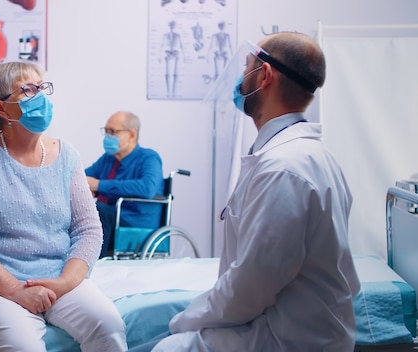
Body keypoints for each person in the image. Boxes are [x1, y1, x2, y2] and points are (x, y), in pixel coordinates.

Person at [133, 31, 361, 351]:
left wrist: (182, 322)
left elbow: (251, 287)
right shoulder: (299, 156)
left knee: (163, 346)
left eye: (246, 67)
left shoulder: (285, 168)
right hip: (286, 326)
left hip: (288, 338)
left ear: (264, 75)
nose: (240, 79)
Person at [0, 62, 127, 352]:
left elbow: (88, 229)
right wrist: (16, 291)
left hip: (57, 275)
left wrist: (66, 282)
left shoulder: (67, 156)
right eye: (28, 90)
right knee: (21, 346)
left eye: (42, 87)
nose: (40, 96)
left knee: (109, 327)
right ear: (2, 109)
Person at [85, 111, 164, 258]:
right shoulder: (108, 159)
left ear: (132, 135)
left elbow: (147, 188)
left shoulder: (149, 158)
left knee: (100, 210)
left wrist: (100, 186)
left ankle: (92, 263)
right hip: (111, 218)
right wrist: (84, 188)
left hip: (135, 221)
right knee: (82, 210)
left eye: (113, 132)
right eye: (106, 131)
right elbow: (84, 177)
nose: (108, 136)